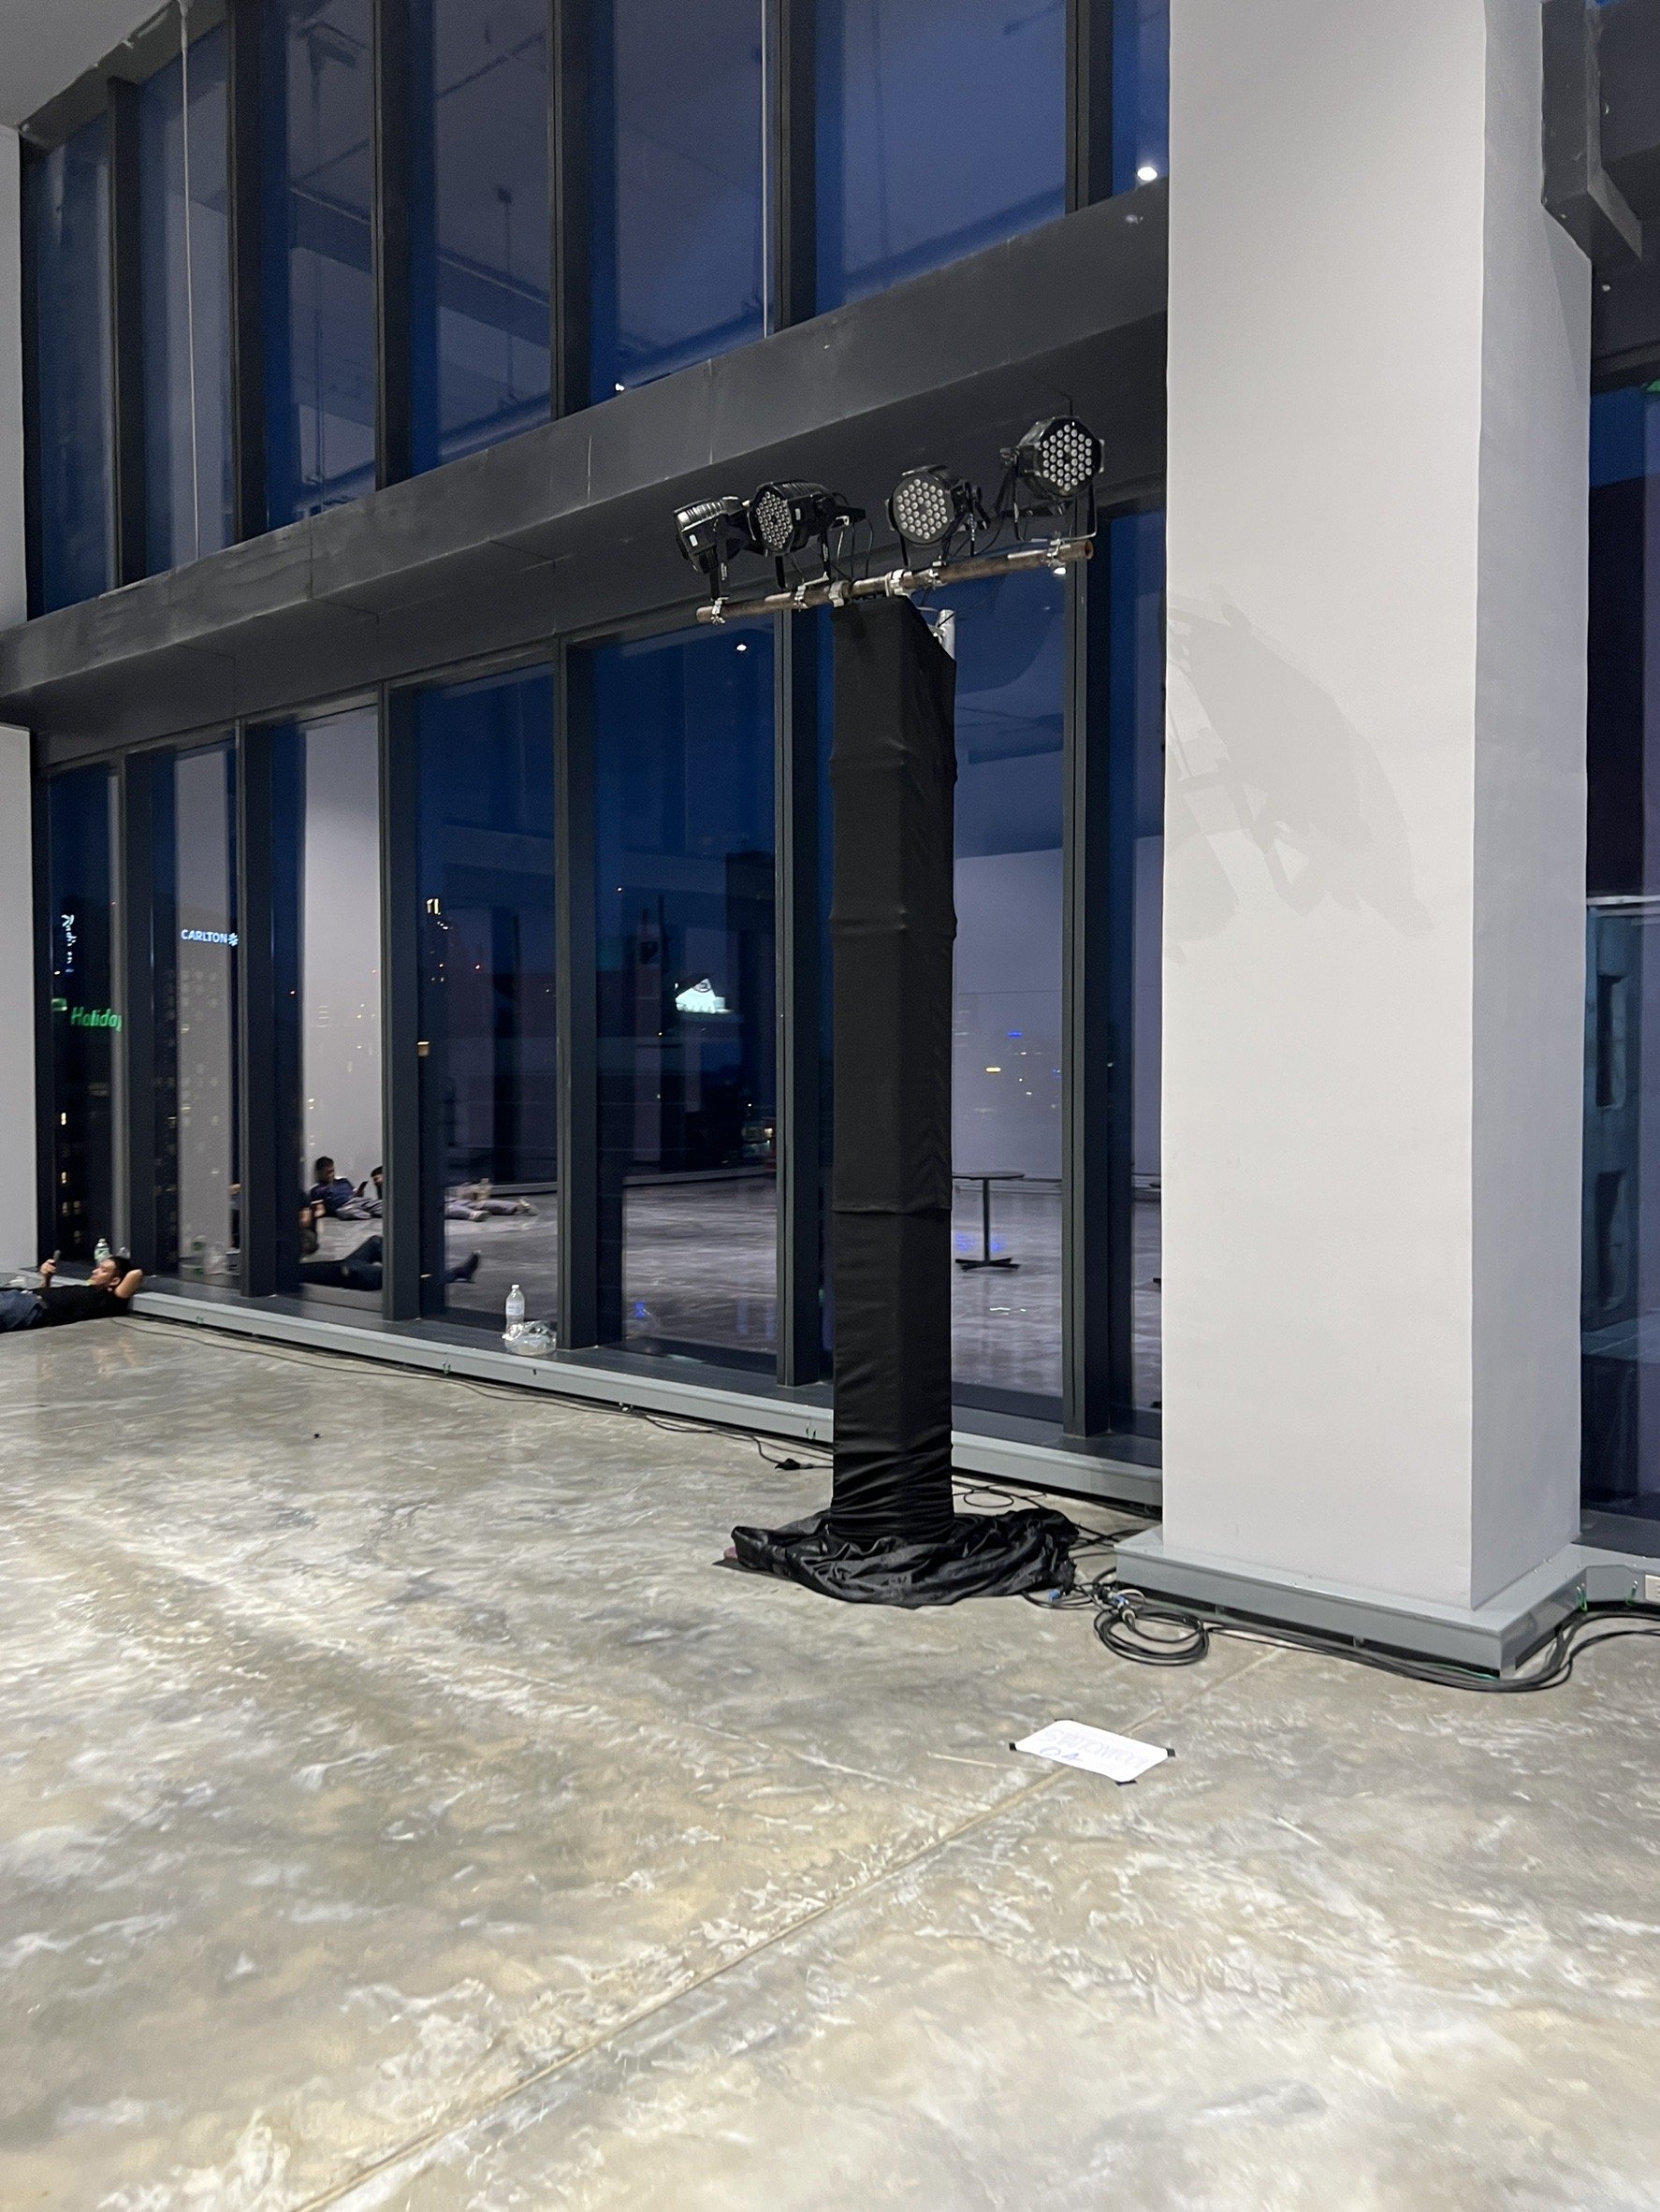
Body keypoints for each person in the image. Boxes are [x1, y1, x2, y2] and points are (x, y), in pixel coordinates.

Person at [0, 1254, 144, 1332]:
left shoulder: (109, 1300)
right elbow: (47, 1293)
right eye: (99, 1268)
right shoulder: (89, 1289)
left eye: (103, 1270)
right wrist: (47, 1278)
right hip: (23, 1296)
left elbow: (136, 1273)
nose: (95, 1271)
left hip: (30, 1307)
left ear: (115, 1281)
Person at [299, 1235, 479, 1292]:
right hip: (348, 1274)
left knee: (375, 1242)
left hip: (344, 1265)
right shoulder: (290, 1271)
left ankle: (416, 1267)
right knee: (401, 1277)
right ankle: (457, 1273)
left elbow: (311, 1245)